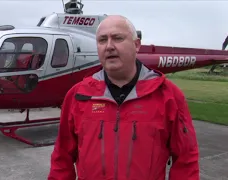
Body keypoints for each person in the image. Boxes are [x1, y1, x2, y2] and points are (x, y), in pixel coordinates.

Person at [48, 15, 200, 180]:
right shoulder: (78, 95)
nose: (109, 46)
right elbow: (62, 157)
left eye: (118, 38)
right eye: (102, 40)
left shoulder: (168, 96)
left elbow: (186, 159)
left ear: (136, 45)